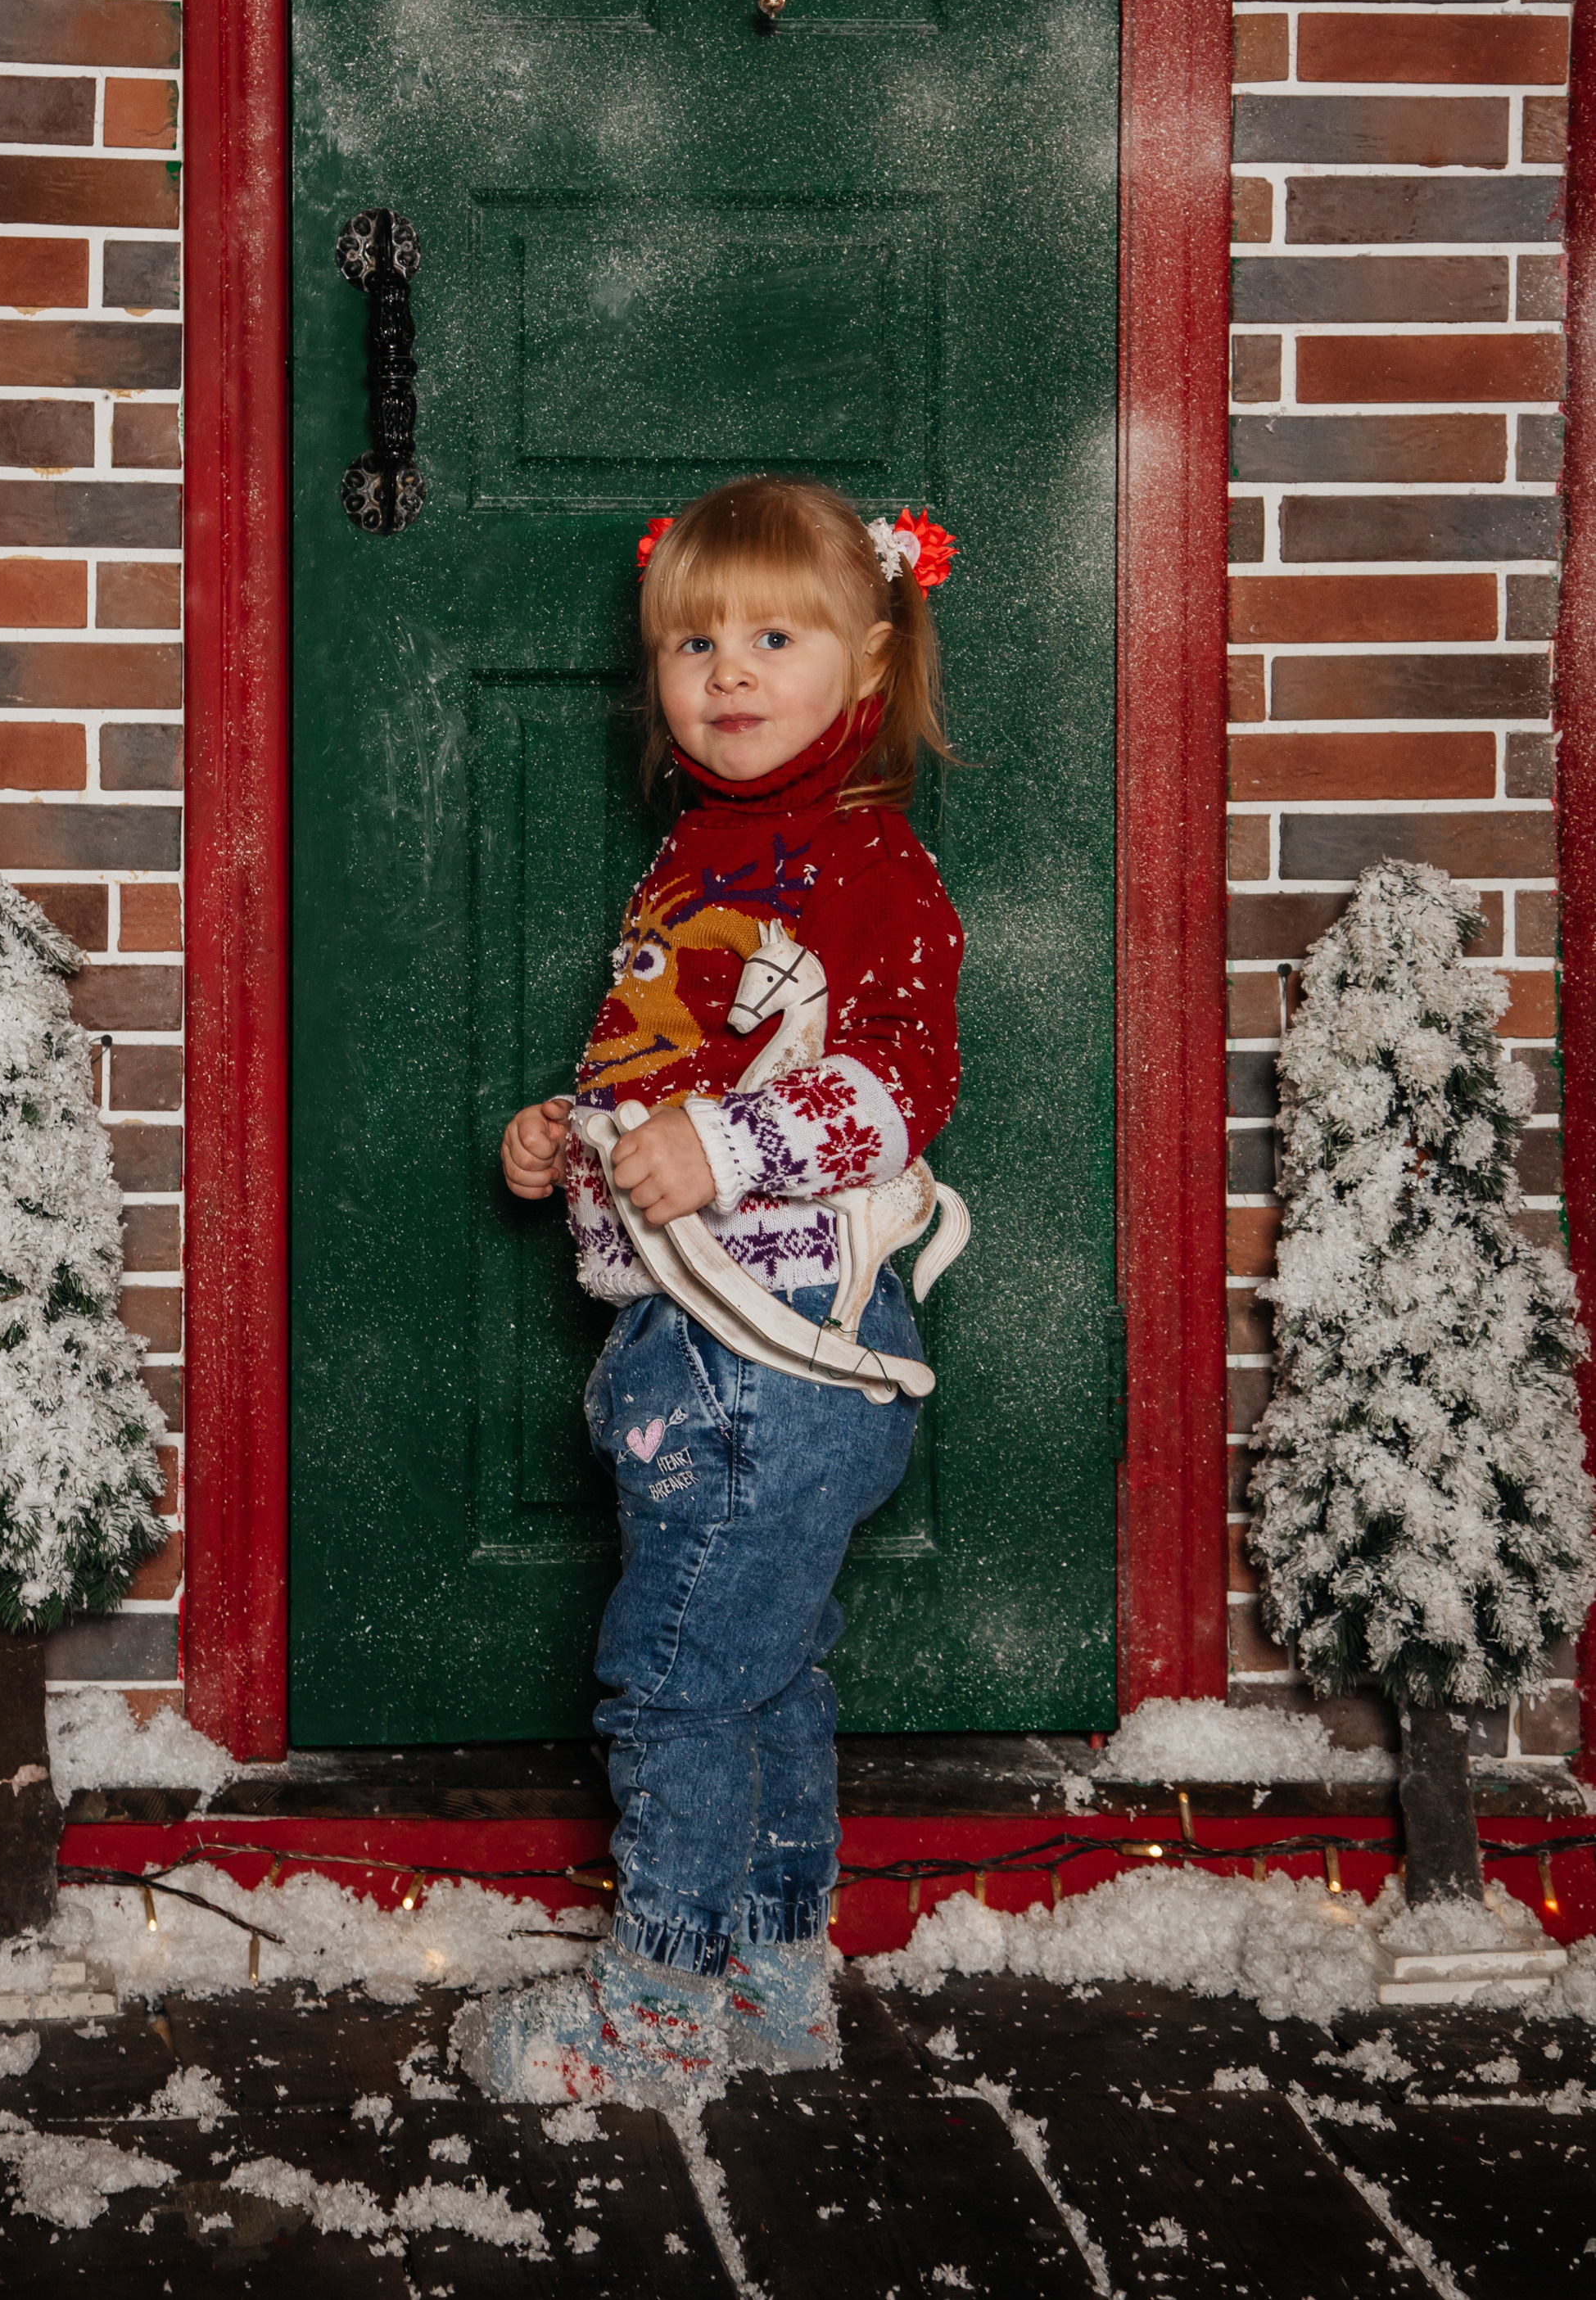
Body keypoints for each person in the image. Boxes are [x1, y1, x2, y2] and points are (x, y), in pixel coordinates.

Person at [456, 476, 964, 2103]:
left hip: (783, 1354)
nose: (727, 672)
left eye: (772, 636)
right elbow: (674, 1063)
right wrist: (579, 1140)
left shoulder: (863, 861)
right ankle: (774, 1972)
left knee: (673, 1681)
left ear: (867, 668)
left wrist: (724, 1151)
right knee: (766, 1667)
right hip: (692, 1343)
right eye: (693, 641)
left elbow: (896, 1082)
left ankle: (657, 2005)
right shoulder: (702, 850)